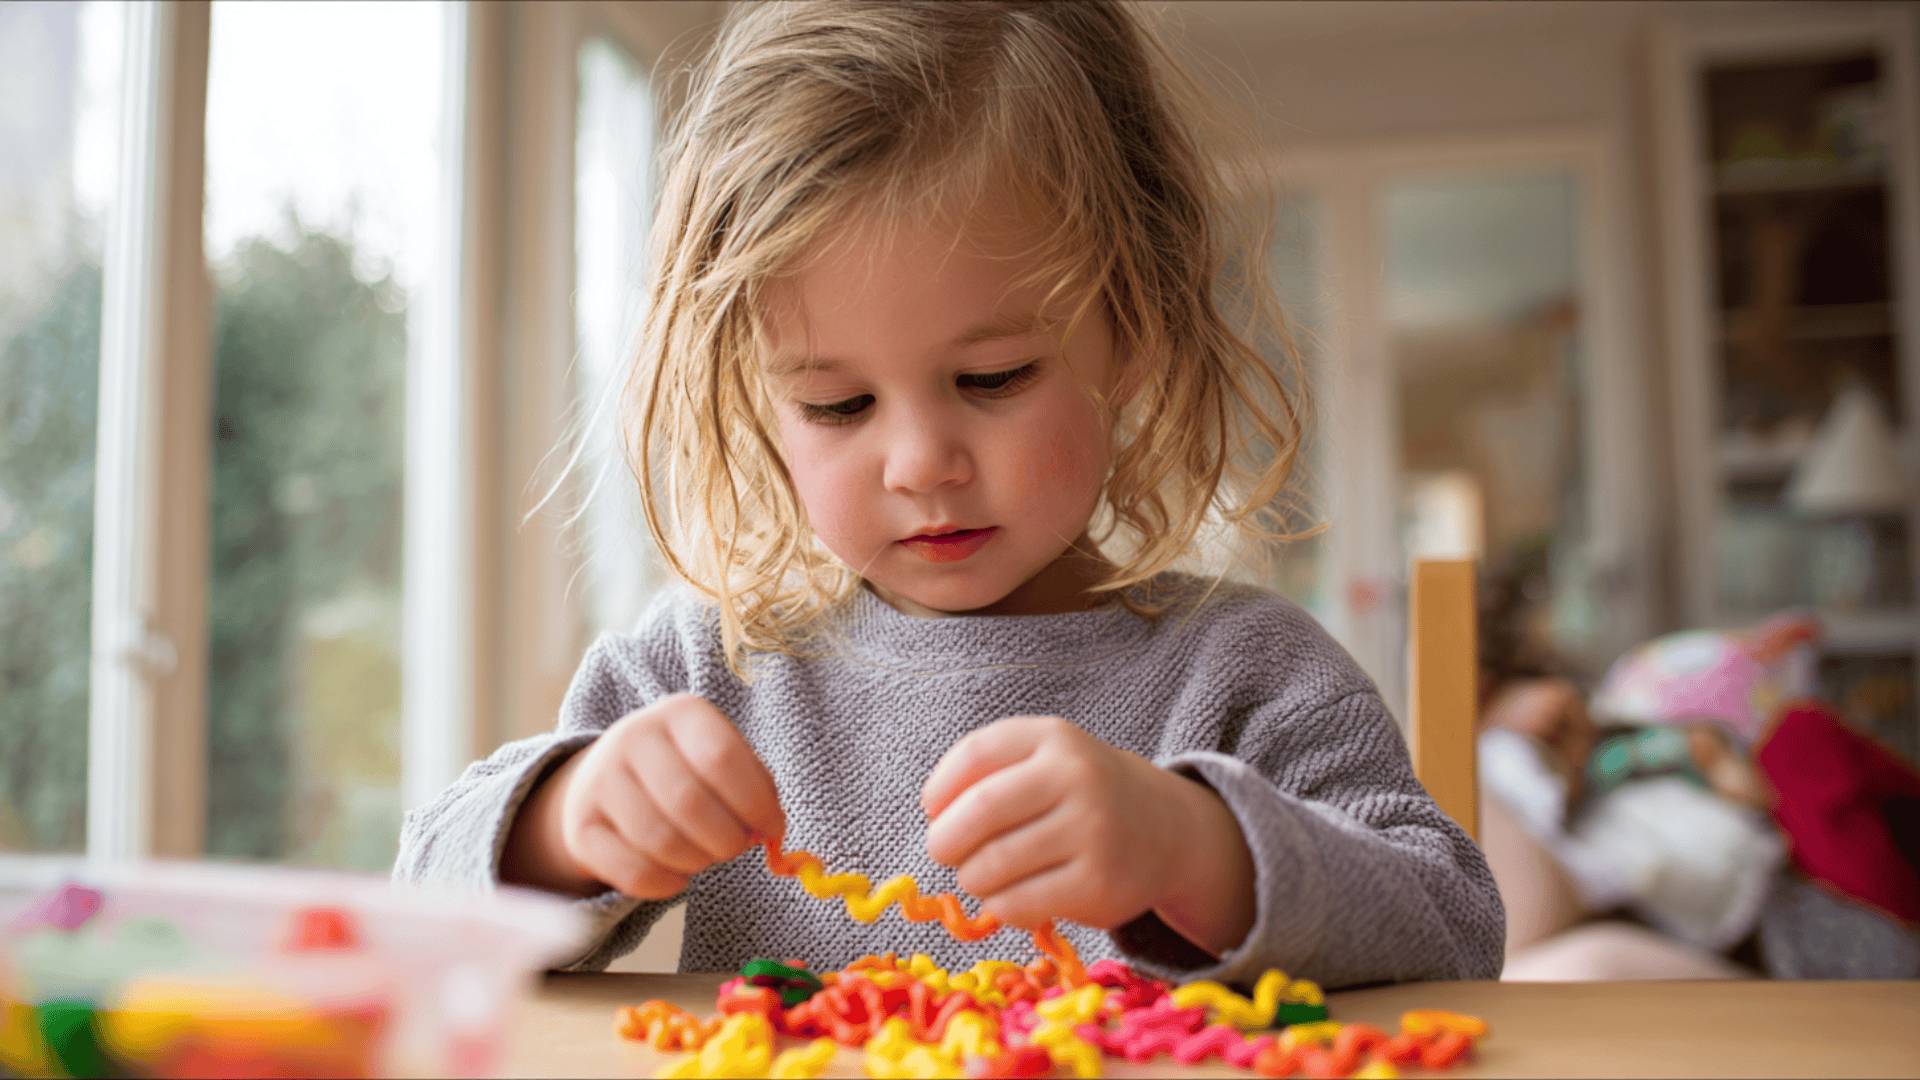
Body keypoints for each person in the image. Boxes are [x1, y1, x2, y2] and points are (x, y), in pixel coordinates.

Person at [394, 0, 1503, 988]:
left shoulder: (1247, 674)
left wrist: (1194, 848)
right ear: (756, 403)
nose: (921, 462)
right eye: (837, 405)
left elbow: (1453, 923)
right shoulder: (709, 670)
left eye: (994, 379)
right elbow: (420, 902)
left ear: (1137, 327)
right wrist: (562, 824)